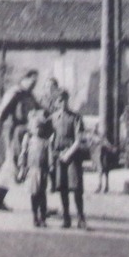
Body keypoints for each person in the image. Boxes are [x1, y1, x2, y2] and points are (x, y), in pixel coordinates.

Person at [0, 69, 41, 212]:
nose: (34, 85)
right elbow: (0, 114)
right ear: (24, 78)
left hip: (26, 135)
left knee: (22, 166)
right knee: (12, 165)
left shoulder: (30, 96)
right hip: (14, 135)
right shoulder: (14, 93)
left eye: (36, 83)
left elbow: (39, 111)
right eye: (32, 81)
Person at [50, 88, 89, 228]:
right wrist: (54, 154)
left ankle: (81, 218)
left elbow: (79, 139)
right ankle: (66, 218)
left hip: (73, 155)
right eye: (59, 100)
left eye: (64, 99)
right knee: (62, 187)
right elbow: (51, 137)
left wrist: (68, 154)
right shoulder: (53, 118)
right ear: (55, 102)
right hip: (59, 155)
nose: (62, 103)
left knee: (76, 188)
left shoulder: (76, 117)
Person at [25, 114, 53, 227]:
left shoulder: (46, 142)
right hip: (32, 170)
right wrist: (23, 167)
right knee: (33, 194)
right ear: (32, 128)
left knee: (42, 194)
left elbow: (50, 156)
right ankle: (34, 216)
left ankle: (43, 217)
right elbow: (24, 154)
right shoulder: (29, 141)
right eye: (35, 127)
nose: (38, 130)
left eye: (40, 127)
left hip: (43, 171)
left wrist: (51, 167)